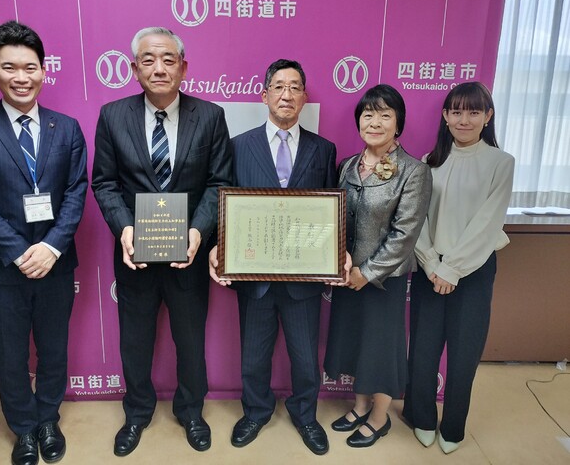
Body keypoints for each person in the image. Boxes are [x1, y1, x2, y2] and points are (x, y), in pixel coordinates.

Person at [0, 21, 88, 465]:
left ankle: (48, 419)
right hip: (0, 266)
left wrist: (51, 247)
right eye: (9, 67)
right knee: (11, 355)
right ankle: (24, 429)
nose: (21, 77)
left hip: (55, 262)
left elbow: (76, 192)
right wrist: (17, 252)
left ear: (44, 70)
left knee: (53, 350)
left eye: (30, 67)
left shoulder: (67, 128)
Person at [92, 27, 231, 456]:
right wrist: (124, 229)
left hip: (188, 255)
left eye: (169, 60)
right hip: (134, 254)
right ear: (134, 69)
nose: (159, 68)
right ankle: (136, 413)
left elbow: (219, 183)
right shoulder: (112, 115)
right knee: (135, 340)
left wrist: (198, 232)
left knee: (190, 340)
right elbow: (104, 183)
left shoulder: (210, 116)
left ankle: (191, 411)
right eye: (148, 60)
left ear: (183, 67)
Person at [209, 59, 336, 455]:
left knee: (305, 357)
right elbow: (223, 203)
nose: (286, 94)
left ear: (304, 97)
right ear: (264, 95)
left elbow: (332, 213)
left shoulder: (323, 150)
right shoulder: (238, 146)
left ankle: (306, 415)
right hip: (254, 275)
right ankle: (256, 411)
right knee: (254, 355)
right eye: (279, 86)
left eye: (295, 87)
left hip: (304, 277)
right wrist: (219, 246)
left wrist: (334, 256)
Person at [402, 82, 514, 454]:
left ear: (488, 117)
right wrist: (433, 264)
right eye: (456, 112)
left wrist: (452, 269)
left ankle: (453, 426)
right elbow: (416, 220)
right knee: (423, 349)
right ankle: (421, 418)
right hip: (429, 269)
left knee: (464, 354)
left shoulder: (501, 163)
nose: (464, 120)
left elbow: (487, 223)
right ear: (445, 116)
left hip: (474, 271)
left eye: (473, 112)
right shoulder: (429, 160)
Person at [323, 84, 431, 449]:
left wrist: (366, 273)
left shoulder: (414, 171)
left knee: (380, 349)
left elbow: (405, 234)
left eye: (385, 115)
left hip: (384, 280)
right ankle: (359, 407)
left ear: (398, 123)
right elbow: (334, 218)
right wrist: (340, 264)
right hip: (346, 277)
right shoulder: (346, 166)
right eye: (368, 115)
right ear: (359, 122)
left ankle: (380, 418)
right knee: (356, 344)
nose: (375, 122)